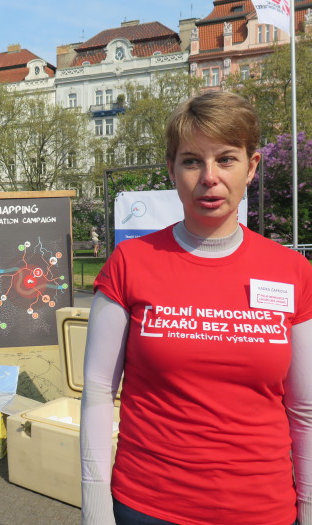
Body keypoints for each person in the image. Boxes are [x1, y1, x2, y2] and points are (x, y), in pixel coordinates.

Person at [80, 91, 312, 525]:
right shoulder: (130, 263)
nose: (210, 177)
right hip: (148, 506)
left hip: (263, 509)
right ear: (171, 170)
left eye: (226, 159)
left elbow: (305, 410)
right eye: (191, 161)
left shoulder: (292, 271)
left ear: (252, 167)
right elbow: (96, 394)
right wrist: (95, 508)